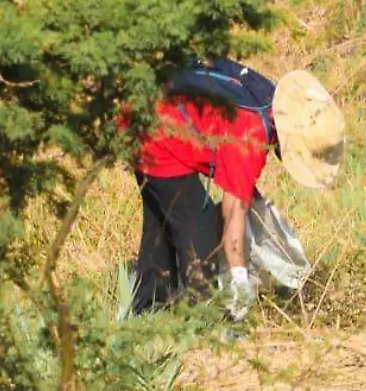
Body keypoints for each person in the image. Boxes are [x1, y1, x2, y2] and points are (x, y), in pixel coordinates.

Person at [131, 66, 344, 319]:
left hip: (143, 111)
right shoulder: (253, 134)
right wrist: (240, 278)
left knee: (163, 225)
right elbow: (233, 212)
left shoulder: (265, 97)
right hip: (158, 138)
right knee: (200, 236)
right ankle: (199, 322)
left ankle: (148, 312)